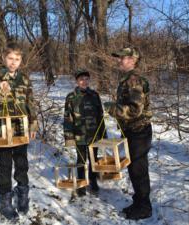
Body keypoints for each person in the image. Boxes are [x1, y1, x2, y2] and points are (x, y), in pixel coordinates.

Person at [0, 42, 37, 220]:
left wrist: (33, 124)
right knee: (5, 166)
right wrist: (0, 91)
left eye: (17, 59)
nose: (13, 62)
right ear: (4, 58)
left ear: (21, 61)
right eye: (10, 58)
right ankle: (5, 203)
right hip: (2, 128)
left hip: (20, 127)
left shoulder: (24, 78)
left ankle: (23, 197)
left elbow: (30, 103)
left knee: (22, 163)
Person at [104, 47, 153, 220]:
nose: (119, 60)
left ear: (133, 60)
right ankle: (138, 201)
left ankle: (144, 208)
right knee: (134, 168)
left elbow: (134, 110)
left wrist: (112, 109)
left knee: (138, 170)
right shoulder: (127, 79)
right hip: (132, 130)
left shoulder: (134, 80)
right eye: (119, 58)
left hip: (139, 130)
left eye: (123, 58)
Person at [63, 69, 106, 198]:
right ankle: (81, 183)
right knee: (81, 159)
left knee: (94, 158)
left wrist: (103, 133)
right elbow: (67, 117)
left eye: (86, 79)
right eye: (81, 79)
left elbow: (100, 115)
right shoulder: (71, 97)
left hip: (94, 134)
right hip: (79, 135)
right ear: (77, 81)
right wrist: (69, 136)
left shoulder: (94, 95)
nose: (84, 81)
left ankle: (93, 181)